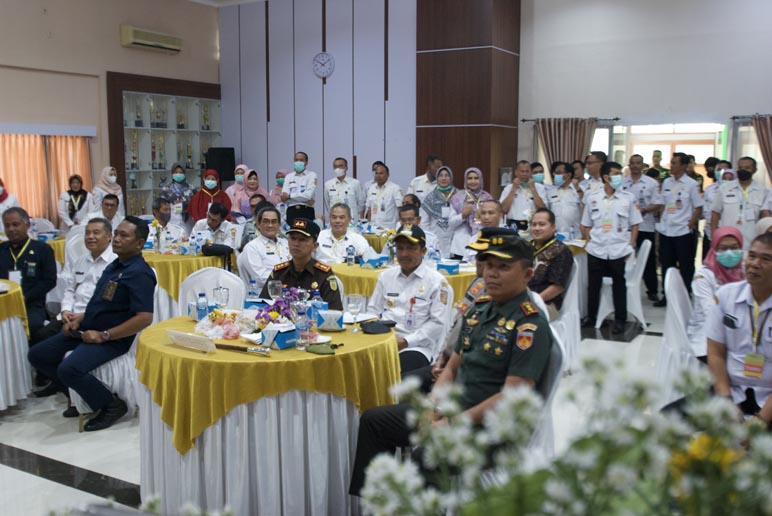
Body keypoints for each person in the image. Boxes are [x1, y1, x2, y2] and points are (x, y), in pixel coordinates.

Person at [349, 229, 552, 496]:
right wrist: (433, 406)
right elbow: (453, 367)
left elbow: (513, 394)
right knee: (375, 421)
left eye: (503, 267)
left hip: (488, 429)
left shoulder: (530, 323)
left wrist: (453, 423)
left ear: (527, 275)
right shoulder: (479, 310)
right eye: (488, 265)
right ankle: (376, 503)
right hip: (451, 411)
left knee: (426, 457)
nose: (491, 273)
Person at [28, 216, 155, 431]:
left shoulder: (139, 273)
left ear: (139, 243)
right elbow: (100, 302)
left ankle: (111, 405)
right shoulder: (116, 265)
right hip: (87, 328)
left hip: (112, 338)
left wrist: (104, 335)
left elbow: (144, 318)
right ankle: (77, 396)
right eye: (117, 234)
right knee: (38, 355)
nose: (116, 239)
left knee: (68, 369)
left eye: (124, 236)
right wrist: (81, 319)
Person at [705, 233, 772, 422]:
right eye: (751, 256)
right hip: (730, 388)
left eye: (766, 259)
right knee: (669, 416)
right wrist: (726, 401)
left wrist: (761, 421)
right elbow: (715, 352)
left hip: (768, 396)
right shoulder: (727, 295)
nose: (755, 264)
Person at [368, 224, 451, 374]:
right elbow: (373, 311)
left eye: (411, 248)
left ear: (423, 251)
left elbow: (437, 324)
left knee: (390, 372)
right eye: (400, 248)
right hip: (382, 341)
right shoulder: (385, 277)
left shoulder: (437, 282)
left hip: (417, 347)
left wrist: (406, 341)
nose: (404, 254)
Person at [30, 218, 116, 347]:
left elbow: (109, 300)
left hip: (93, 319)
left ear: (109, 236)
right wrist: (65, 310)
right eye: (87, 233)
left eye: (96, 233)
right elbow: (70, 289)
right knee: (38, 338)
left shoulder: (115, 263)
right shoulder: (81, 260)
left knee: (52, 348)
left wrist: (84, 315)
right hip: (69, 315)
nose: (90, 237)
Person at [580, 161, 642, 333]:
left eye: (620, 173)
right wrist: (588, 241)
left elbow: (635, 224)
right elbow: (585, 224)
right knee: (593, 285)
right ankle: (591, 317)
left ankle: (620, 319)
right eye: (616, 174)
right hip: (596, 248)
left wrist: (630, 246)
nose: (619, 177)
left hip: (618, 249)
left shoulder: (627, 198)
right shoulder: (592, 198)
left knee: (619, 284)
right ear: (606, 177)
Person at [686, 226, 744, 363]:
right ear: (714, 249)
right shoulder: (704, 276)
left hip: (740, 332)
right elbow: (711, 312)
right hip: (707, 333)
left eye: (735, 248)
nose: (729, 253)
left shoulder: (746, 271)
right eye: (723, 248)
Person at [259, 218, 342, 309]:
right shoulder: (279, 273)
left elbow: (334, 312)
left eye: (302, 240)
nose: (296, 244)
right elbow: (263, 305)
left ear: (315, 246)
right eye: (293, 238)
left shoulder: (323, 275)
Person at [0, 207, 57, 336]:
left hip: (31, 303)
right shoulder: (1, 250)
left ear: (27, 225)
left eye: (15, 224)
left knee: (32, 325)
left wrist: (24, 297)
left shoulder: (42, 249)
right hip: (3, 303)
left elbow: (50, 281)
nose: (11, 229)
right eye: (7, 225)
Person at [655, 152, 703, 304]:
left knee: (685, 264)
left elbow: (698, 207)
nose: (672, 165)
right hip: (666, 230)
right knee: (666, 264)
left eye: (675, 163)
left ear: (683, 165)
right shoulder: (667, 182)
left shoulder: (692, 184)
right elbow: (663, 203)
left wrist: (691, 223)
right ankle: (666, 295)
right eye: (671, 162)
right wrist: (661, 219)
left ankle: (684, 294)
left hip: (682, 231)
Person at [621, 154, 663, 301]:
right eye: (632, 163)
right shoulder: (622, 183)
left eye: (638, 163)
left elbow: (658, 203)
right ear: (629, 165)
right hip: (626, 228)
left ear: (643, 165)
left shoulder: (651, 183)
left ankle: (652, 290)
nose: (635, 166)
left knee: (648, 260)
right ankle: (622, 287)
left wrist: (644, 210)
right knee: (624, 258)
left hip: (645, 226)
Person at [710, 156, 766, 250]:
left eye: (747, 168)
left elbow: (764, 218)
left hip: (752, 242)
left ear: (754, 170)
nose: (743, 170)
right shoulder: (724, 188)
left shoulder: (763, 191)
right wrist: (713, 235)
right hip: (726, 240)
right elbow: (715, 213)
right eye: (740, 168)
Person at [528, 208, 574, 320]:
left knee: (518, 317)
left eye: (542, 224)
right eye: (534, 225)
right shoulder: (526, 247)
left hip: (546, 304)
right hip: (522, 298)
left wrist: (532, 302)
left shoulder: (560, 251)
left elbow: (557, 287)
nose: (537, 228)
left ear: (553, 227)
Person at [241, 206, 290, 291]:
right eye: (266, 221)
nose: (270, 225)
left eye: (274, 222)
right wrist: (289, 279)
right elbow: (261, 279)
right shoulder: (252, 247)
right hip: (263, 297)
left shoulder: (286, 243)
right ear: (258, 224)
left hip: (289, 293)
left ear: (279, 225)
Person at [449, 167, 494, 259]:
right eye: (469, 178)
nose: (473, 181)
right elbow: (451, 224)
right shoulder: (457, 198)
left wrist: (483, 216)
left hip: (482, 243)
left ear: (480, 179)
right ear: (465, 180)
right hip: (460, 246)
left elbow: (494, 220)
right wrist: (463, 215)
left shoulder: (488, 198)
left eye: (476, 178)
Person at [421, 166, 464, 258]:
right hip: (436, 236)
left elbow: (464, 217)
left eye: (446, 175)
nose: (443, 178)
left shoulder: (459, 195)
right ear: (437, 178)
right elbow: (424, 222)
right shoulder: (430, 197)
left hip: (455, 237)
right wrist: (428, 239)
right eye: (440, 175)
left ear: (451, 177)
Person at [500, 160, 547, 232]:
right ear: (516, 172)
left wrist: (533, 189)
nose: (524, 174)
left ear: (531, 172)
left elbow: (543, 209)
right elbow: (503, 210)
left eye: (527, 171)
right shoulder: (508, 188)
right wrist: (513, 189)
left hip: (534, 225)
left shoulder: (539, 188)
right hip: (513, 225)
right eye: (522, 171)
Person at [702, 167, 737, 260]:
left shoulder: (737, 193)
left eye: (730, 179)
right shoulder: (712, 189)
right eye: (725, 178)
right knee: (710, 258)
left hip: (729, 230)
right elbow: (707, 209)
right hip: (711, 229)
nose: (727, 181)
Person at [544, 161, 582, 236]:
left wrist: (577, 188)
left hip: (575, 234)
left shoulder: (578, 189)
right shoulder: (550, 192)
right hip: (555, 234)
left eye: (559, 173)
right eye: (555, 173)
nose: (556, 176)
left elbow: (584, 205)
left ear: (568, 175)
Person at [365, 163, 403, 229]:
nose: (378, 176)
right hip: (373, 227)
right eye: (376, 173)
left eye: (381, 173)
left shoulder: (395, 188)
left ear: (388, 175)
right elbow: (369, 209)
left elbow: (401, 209)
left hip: (389, 228)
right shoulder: (371, 188)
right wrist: (368, 227)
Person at [161, 162, 197, 229]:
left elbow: (195, 205)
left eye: (181, 173)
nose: (178, 174)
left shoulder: (191, 189)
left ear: (184, 173)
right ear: (172, 173)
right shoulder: (166, 189)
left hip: (187, 222)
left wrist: (184, 205)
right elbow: (162, 205)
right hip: (171, 221)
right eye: (176, 172)